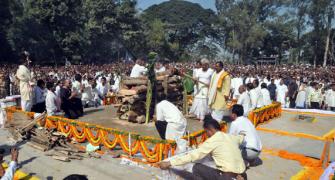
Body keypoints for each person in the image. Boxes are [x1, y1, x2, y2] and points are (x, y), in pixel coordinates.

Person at [157, 119, 246, 180]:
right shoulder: (231, 137)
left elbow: (193, 156)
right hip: (243, 175)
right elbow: (241, 137)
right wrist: (242, 133)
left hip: (227, 177)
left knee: (196, 167)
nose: (206, 135)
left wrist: (169, 163)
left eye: (206, 132)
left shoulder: (213, 141)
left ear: (210, 130)